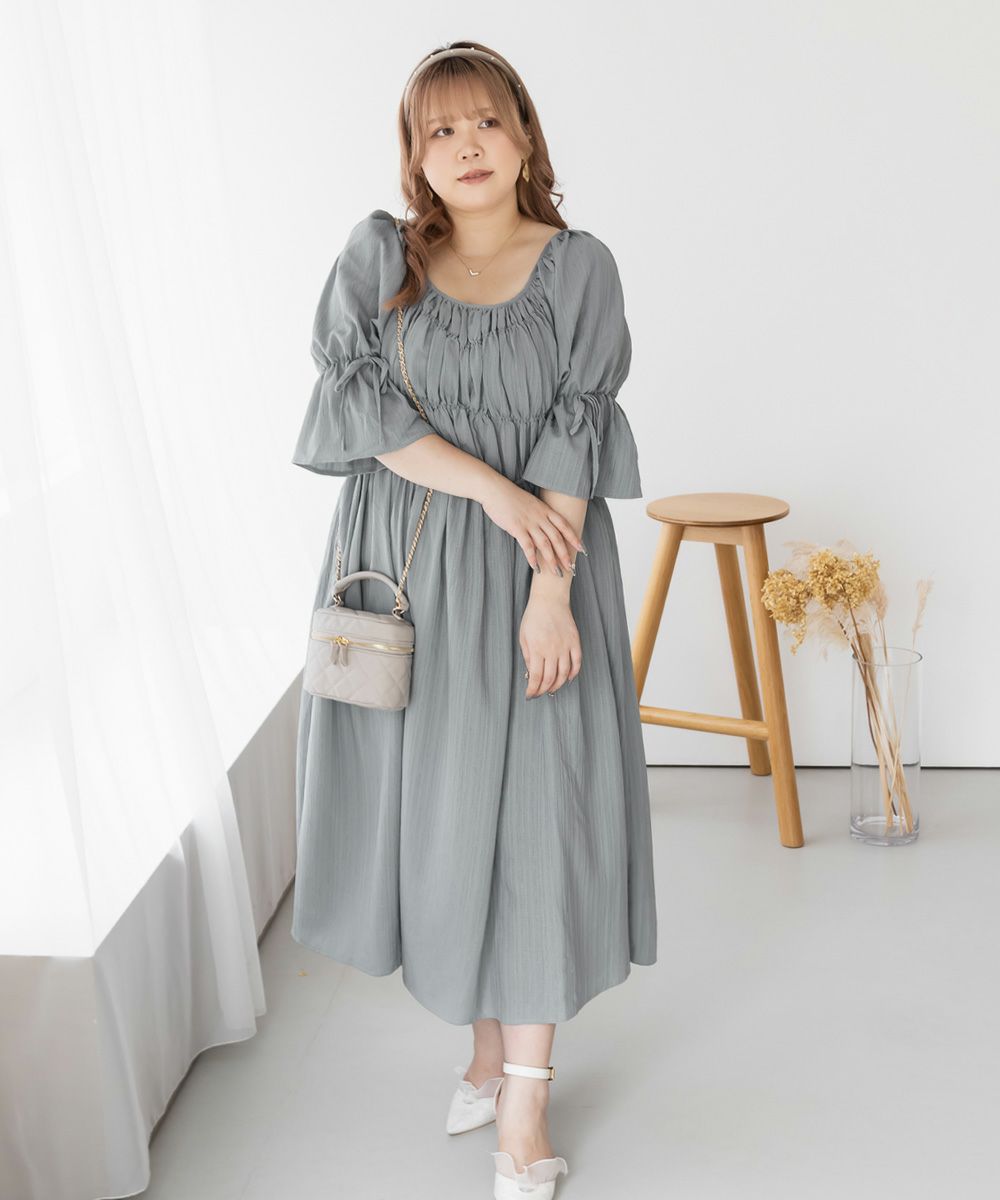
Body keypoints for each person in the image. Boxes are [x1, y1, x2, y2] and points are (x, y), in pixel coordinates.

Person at [290, 40, 657, 1199]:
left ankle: (526, 1096)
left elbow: (579, 425)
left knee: (539, 814)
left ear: (524, 134)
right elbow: (361, 413)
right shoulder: (379, 257)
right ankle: (487, 1050)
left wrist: (550, 592)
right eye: (439, 130)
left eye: (485, 122)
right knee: (448, 813)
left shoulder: (578, 267)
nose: (466, 146)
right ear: (414, 153)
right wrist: (492, 493)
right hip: (412, 569)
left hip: (542, 568)